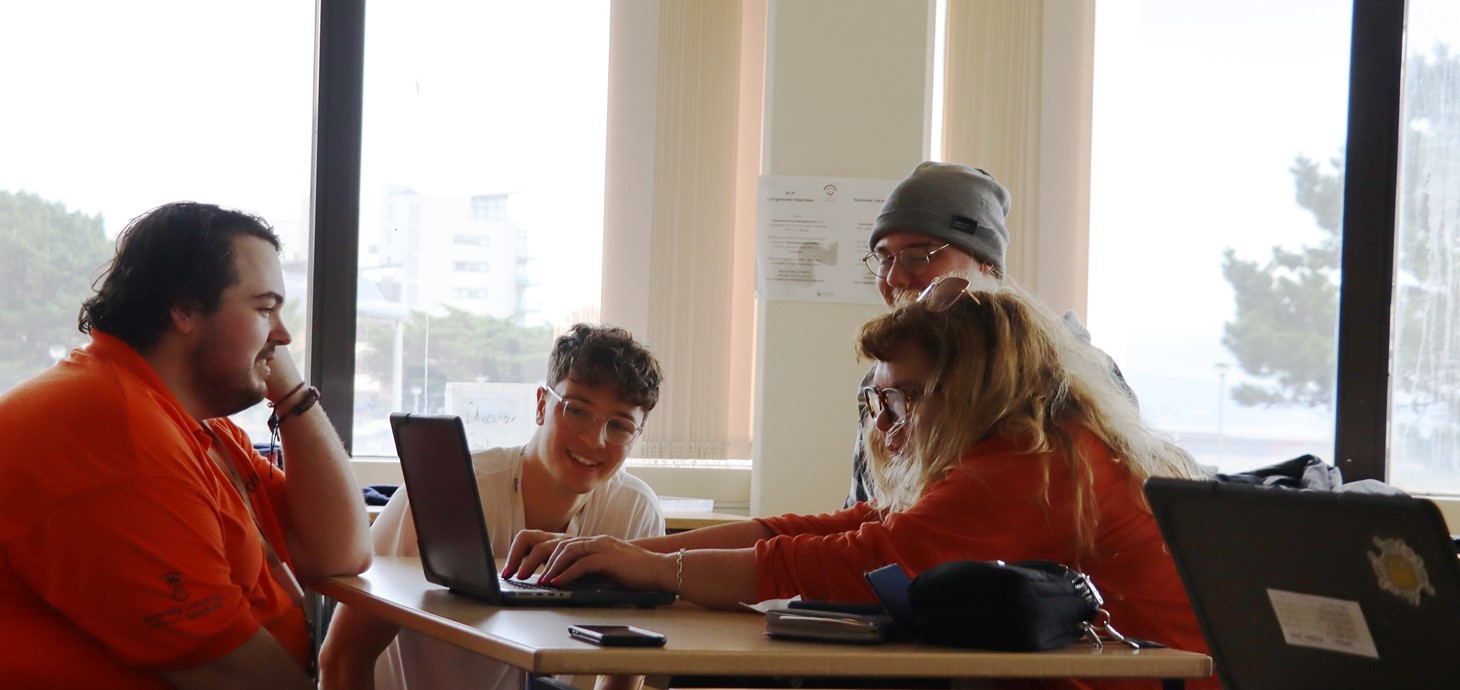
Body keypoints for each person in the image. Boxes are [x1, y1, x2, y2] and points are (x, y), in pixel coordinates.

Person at [502, 283, 1216, 690]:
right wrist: (637, 558)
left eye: (903, 399)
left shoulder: (1033, 467)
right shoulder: (1023, 447)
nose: (887, 421)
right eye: (879, 401)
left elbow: (860, 562)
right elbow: (831, 531)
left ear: (965, 389)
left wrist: (657, 565)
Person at [0, 202, 372, 689]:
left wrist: (293, 394)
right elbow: (243, 678)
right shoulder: (121, 437)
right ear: (185, 308)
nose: (282, 337)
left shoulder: (189, 424)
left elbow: (337, 551)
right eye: (264, 309)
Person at [319, 323, 666, 690]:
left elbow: (627, 666)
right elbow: (342, 658)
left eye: (620, 426)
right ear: (541, 405)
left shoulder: (635, 512)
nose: (594, 439)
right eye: (577, 411)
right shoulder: (448, 494)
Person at [848, 161, 1129, 506]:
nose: (893, 279)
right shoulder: (884, 385)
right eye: (885, 259)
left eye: (918, 257)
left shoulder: (1075, 376)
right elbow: (869, 509)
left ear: (986, 267)